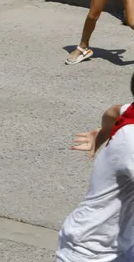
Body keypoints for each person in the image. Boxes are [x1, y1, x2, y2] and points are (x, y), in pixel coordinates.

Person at [57, 72, 134, 261]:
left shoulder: (129, 113)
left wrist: (101, 134)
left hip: (122, 245)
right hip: (91, 252)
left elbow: (114, 111)